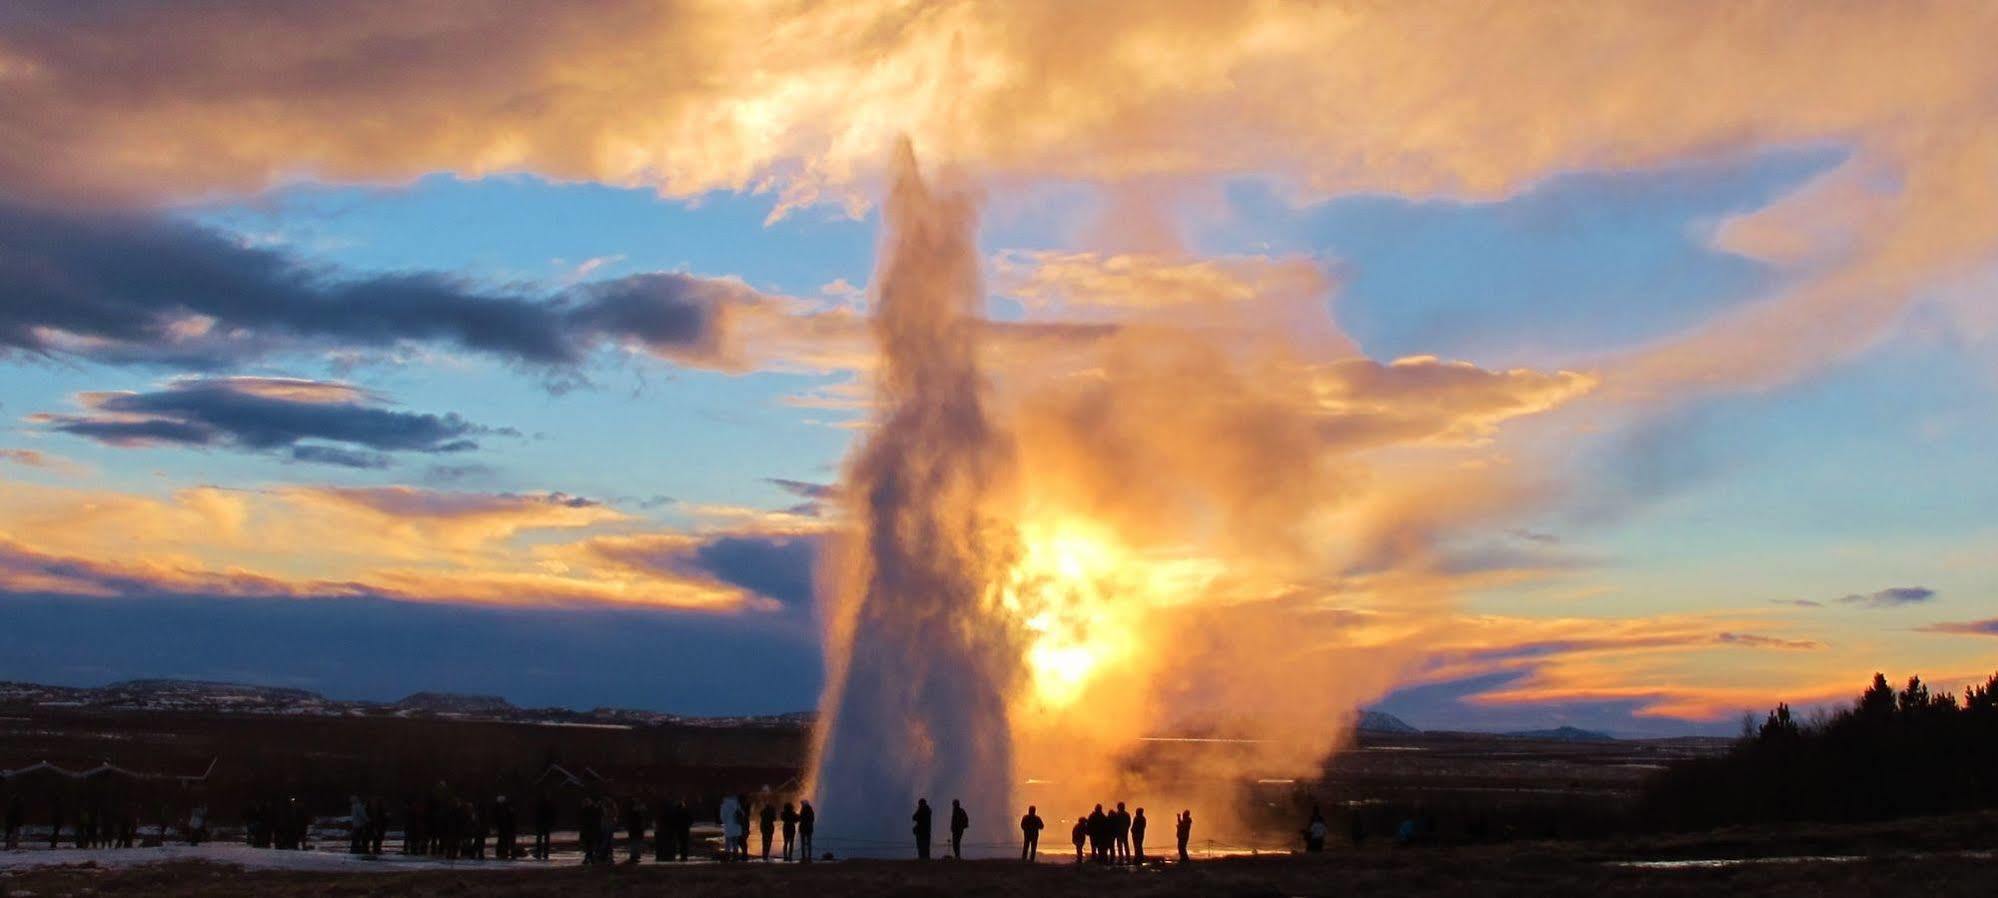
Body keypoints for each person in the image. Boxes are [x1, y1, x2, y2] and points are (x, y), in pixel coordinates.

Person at [719, 795, 743, 862]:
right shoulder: (737, 804)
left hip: (729, 827)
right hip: (737, 827)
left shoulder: (724, 805)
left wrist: (725, 821)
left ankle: (727, 857)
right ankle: (735, 857)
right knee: (735, 843)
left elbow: (722, 818)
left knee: (728, 844)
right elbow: (742, 814)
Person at [533, 794, 555, 860]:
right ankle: (545, 854)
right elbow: (553, 814)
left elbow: (537, 814)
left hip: (541, 823)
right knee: (545, 839)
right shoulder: (550, 804)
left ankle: (539, 853)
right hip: (546, 824)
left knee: (540, 839)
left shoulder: (540, 804)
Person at [493, 796, 516, 860]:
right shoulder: (507, 808)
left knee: (503, 841)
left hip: (505, 827)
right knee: (507, 841)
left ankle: (503, 852)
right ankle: (507, 853)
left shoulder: (501, 808)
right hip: (507, 827)